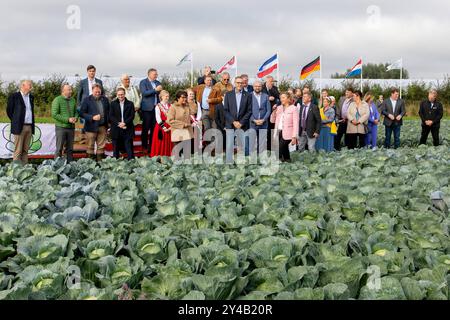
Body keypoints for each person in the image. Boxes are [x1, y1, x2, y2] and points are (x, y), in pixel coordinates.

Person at [6, 80, 35, 165]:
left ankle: (24, 169)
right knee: (18, 150)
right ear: (23, 86)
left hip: (29, 126)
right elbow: (9, 111)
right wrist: (16, 120)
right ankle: (16, 170)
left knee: (25, 150)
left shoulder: (31, 97)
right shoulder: (14, 96)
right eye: (29, 85)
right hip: (19, 127)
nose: (31, 86)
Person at [80, 83, 110, 161]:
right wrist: (92, 117)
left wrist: (109, 123)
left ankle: (100, 164)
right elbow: (82, 113)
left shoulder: (105, 99)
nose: (97, 93)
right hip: (90, 127)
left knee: (101, 146)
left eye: (99, 92)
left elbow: (109, 112)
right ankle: (91, 165)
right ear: (92, 91)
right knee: (90, 146)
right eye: (95, 92)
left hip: (102, 127)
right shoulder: (87, 100)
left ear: (101, 91)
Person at [223, 76, 252, 156]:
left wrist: (241, 122)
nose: (239, 84)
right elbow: (225, 110)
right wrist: (233, 122)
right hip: (231, 124)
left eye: (241, 83)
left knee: (245, 146)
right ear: (234, 84)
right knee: (229, 146)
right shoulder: (228, 95)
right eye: (238, 83)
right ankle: (230, 164)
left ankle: (246, 163)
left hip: (243, 125)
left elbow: (249, 111)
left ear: (243, 84)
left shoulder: (248, 95)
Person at [51, 83, 78, 163]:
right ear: (63, 91)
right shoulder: (57, 100)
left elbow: (76, 112)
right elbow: (54, 114)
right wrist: (67, 120)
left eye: (71, 89)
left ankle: (70, 165)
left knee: (70, 149)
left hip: (71, 128)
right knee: (59, 148)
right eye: (69, 89)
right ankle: (56, 166)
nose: (71, 91)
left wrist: (76, 118)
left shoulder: (73, 100)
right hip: (61, 128)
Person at [270, 92, 299, 162]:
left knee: (278, 150)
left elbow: (296, 123)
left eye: (283, 97)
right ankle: (288, 161)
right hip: (278, 132)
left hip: (288, 133)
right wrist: (274, 111)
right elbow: (272, 121)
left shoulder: (294, 108)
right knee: (285, 149)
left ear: (288, 99)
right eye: (280, 98)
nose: (281, 99)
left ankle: (276, 164)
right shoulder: (279, 108)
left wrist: (294, 137)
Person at [139, 68, 162, 153]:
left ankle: (152, 146)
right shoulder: (143, 82)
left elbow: (160, 95)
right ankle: (144, 146)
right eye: (154, 74)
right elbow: (144, 93)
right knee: (145, 128)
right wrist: (155, 90)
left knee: (154, 128)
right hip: (147, 109)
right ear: (149, 74)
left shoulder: (158, 83)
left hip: (156, 109)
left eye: (156, 74)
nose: (156, 75)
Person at [109, 88, 135, 160]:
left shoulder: (130, 104)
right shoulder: (113, 103)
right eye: (119, 95)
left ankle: (131, 163)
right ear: (117, 95)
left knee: (129, 148)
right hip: (116, 129)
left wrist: (125, 123)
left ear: (124, 94)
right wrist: (118, 123)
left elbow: (132, 116)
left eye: (122, 94)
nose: (120, 96)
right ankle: (116, 164)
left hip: (127, 128)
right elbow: (111, 116)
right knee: (116, 149)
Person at [167, 91, 195, 155]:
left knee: (187, 154)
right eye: (183, 97)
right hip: (177, 133)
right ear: (178, 98)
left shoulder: (187, 106)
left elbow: (194, 112)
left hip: (187, 133)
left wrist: (191, 102)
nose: (185, 99)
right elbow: (170, 120)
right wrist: (183, 124)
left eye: (186, 97)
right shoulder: (173, 107)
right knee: (178, 154)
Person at [249, 80, 272, 153]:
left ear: (261, 87)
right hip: (252, 123)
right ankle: (251, 160)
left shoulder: (266, 96)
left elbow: (268, 110)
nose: (257, 87)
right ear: (253, 87)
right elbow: (247, 111)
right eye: (256, 86)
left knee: (262, 144)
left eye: (259, 86)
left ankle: (260, 159)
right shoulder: (249, 96)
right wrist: (254, 120)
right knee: (251, 143)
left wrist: (263, 120)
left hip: (263, 124)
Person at [151, 90, 173, 157]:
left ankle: (169, 156)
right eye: (166, 96)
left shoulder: (171, 105)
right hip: (161, 126)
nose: (167, 98)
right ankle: (159, 157)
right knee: (161, 142)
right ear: (162, 97)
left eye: (168, 96)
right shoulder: (158, 106)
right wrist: (163, 127)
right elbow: (158, 118)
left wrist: (171, 126)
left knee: (169, 142)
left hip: (169, 126)